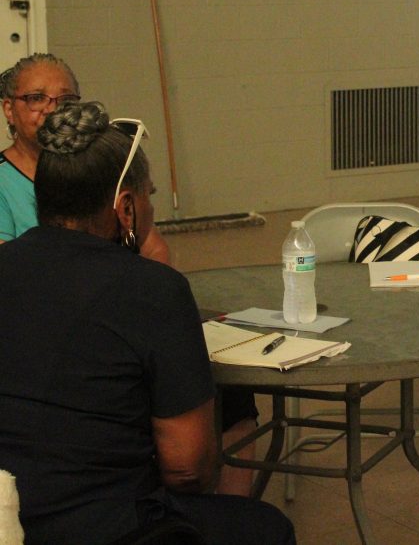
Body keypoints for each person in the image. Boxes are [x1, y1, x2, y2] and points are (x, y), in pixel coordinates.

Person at [0, 101, 295, 544]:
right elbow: (187, 470)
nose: (150, 207)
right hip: (103, 527)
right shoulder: (154, 290)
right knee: (266, 527)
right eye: (148, 195)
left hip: (8, 513)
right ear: (125, 207)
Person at [0, 53, 169, 262]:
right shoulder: (3, 180)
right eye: (36, 98)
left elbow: (154, 248)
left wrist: (153, 288)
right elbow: (8, 271)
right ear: (9, 109)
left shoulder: (97, 163)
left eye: (66, 99)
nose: (52, 109)